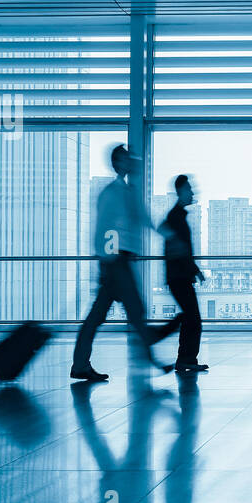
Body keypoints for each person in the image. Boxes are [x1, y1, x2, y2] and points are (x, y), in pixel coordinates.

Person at [70, 144, 168, 383]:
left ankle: (81, 364)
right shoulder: (113, 193)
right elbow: (105, 228)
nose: (131, 161)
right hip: (116, 261)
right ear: (118, 163)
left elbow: (141, 218)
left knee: (101, 315)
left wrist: (162, 232)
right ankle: (150, 351)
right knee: (134, 311)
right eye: (126, 158)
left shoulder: (126, 191)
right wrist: (107, 261)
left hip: (118, 261)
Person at [155, 174, 208, 374]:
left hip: (179, 275)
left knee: (190, 317)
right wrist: (194, 270)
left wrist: (194, 270)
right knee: (193, 318)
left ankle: (185, 358)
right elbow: (179, 249)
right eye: (189, 189)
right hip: (179, 276)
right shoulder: (175, 218)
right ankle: (185, 358)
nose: (192, 192)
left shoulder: (177, 217)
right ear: (180, 191)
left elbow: (181, 249)